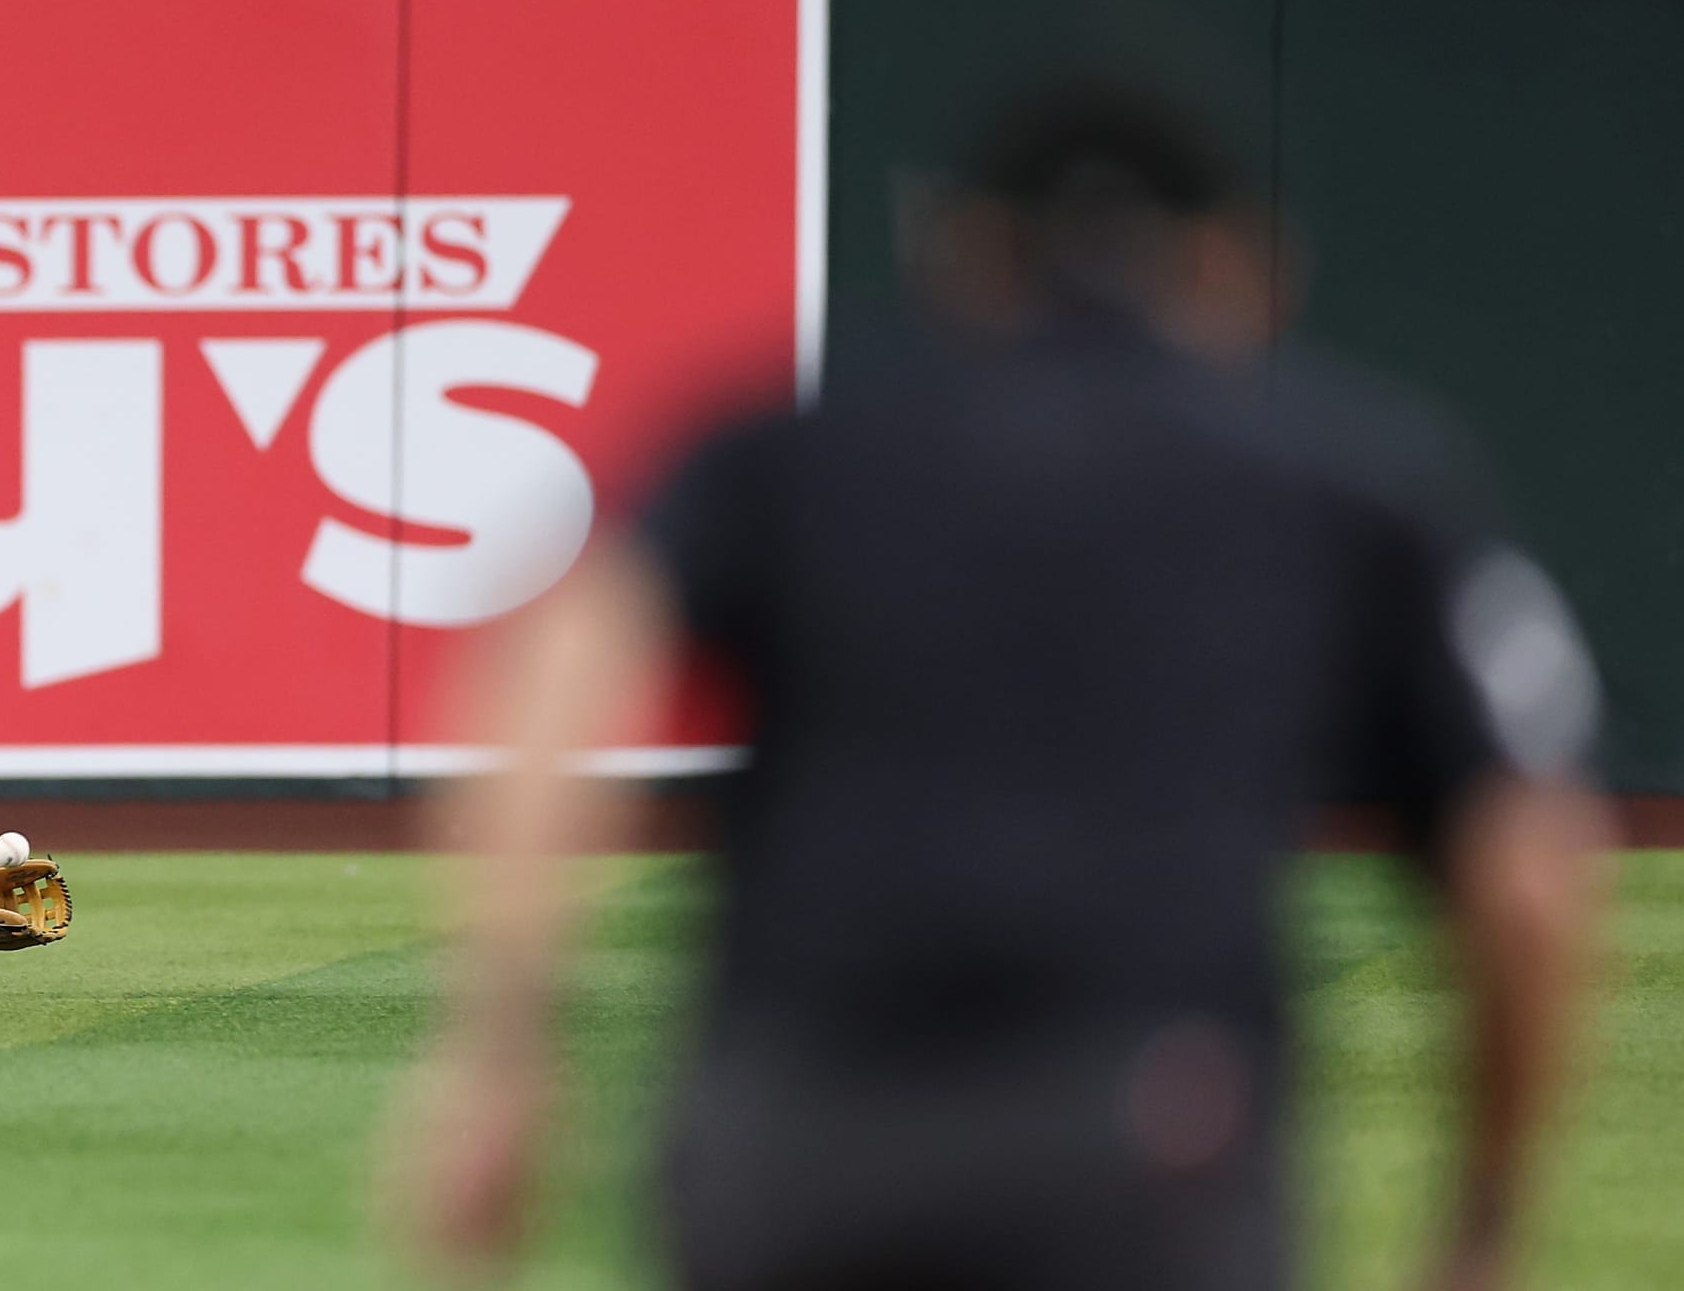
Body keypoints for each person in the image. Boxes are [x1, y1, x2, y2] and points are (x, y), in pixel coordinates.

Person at [399, 71, 1613, 1290]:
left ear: (964, 252)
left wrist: (502, 1045)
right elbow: (1529, 870)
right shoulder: (1351, 478)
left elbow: (566, 646)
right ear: (1239, 265)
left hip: (802, 1131)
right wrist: (1484, 1217)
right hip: (1147, 1141)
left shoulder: (792, 447)